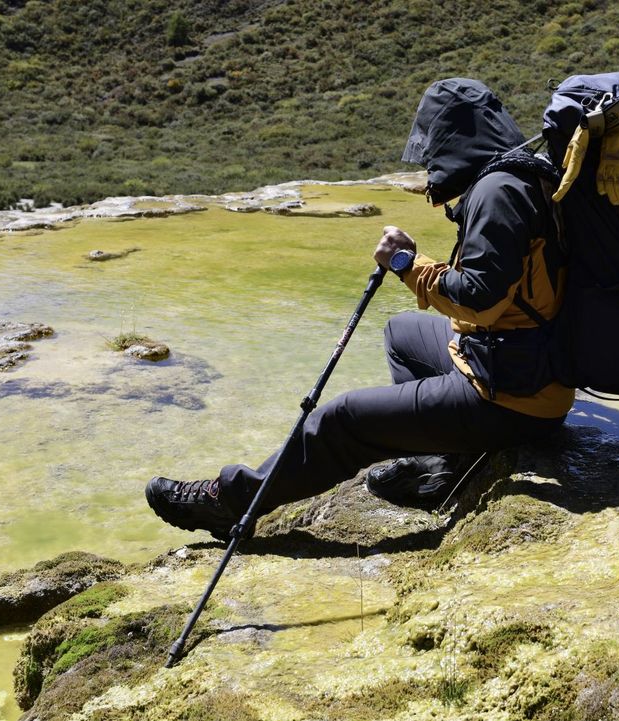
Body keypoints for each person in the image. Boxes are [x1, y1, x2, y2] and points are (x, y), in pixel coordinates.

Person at [145, 78, 575, 537]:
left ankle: (232, 501)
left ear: (453, 137)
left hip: (509, 397)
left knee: (342, 419)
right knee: (402, 332)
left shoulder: (497, 192)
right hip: (530, 371)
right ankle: (442, 461)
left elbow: (481, 300)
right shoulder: (527, 173)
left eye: (433, 143)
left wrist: (408, 264)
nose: (430, 159)